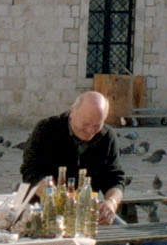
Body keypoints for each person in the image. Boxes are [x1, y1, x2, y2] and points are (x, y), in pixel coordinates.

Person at [21, 91, 126, 223]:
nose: (90, 131)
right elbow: (30, 171)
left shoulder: (108, 137)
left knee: (120, 233)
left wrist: (111, 202)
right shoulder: (46, 129)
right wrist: (43, 186)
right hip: (44, 208)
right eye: (86, 124)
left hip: (85, 210)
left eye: (96, 125)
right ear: (72, 113)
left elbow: (115, 178)